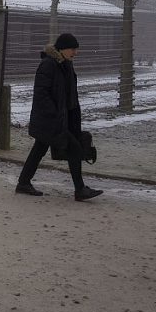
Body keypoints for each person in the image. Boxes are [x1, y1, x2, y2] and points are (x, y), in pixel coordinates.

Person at [15, 33, 103, 201]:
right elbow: (41, 93)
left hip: (60, 119)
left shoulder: (65, 64)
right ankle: (80, 190)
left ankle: (23, 183)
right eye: (72, 49)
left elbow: (69, 94)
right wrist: (55, 113)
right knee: (74, 148)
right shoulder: (48, 65)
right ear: (62, 49)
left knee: (39, 150)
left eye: (76, 49)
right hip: (51, 120)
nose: (75, 52)